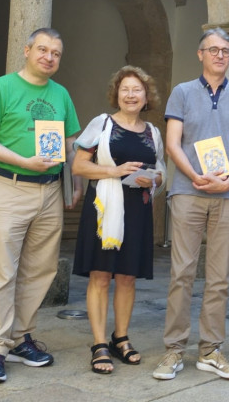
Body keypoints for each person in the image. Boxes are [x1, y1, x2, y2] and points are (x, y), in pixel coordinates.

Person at [0, 27, 82, 385]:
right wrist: (23, 160)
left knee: (39, 270)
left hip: (48, 191)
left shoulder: (61, 94)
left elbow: (71, 143)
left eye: (56, 53)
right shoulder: (0, 88)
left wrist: (75, 181)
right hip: (8, 185)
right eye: (43, 50)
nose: (49, 57)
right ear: (27, 50)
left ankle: (20, 338)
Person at [153, 28, 229, 381]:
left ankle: (211, 350)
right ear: (200, 54)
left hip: (228, 195)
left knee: (219, 278)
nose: (220, 55)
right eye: (213, 49)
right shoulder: (182, 92)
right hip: (188, 192)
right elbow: (173, 143)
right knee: (181, 273)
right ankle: (173, 350)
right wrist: (194, 175)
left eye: (225, 50)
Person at [72, 66, 167, 373]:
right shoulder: (102, 124)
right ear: (117, 93)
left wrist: (154, 179)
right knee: (101, 276)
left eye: (137, 90)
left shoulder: (153, 132)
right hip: (104, 209)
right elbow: (79, 166)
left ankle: (120, 338)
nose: (130, 95)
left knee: (127, 277)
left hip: (137, 210)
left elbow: (161, 171)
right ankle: (99, 343)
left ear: (146, 97)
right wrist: (113, 171)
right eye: (125, 89)